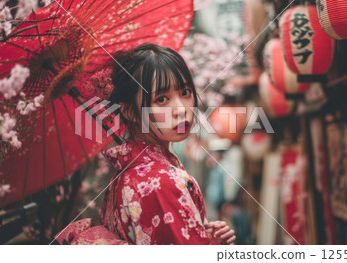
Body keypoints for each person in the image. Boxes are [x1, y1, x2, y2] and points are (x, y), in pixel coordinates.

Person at [56, 43, 235, 245]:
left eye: (185, 92)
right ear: (130, 111)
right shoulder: (161, 182)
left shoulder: (124, 177)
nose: (180, 109)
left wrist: (207, 237)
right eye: (162, 99)